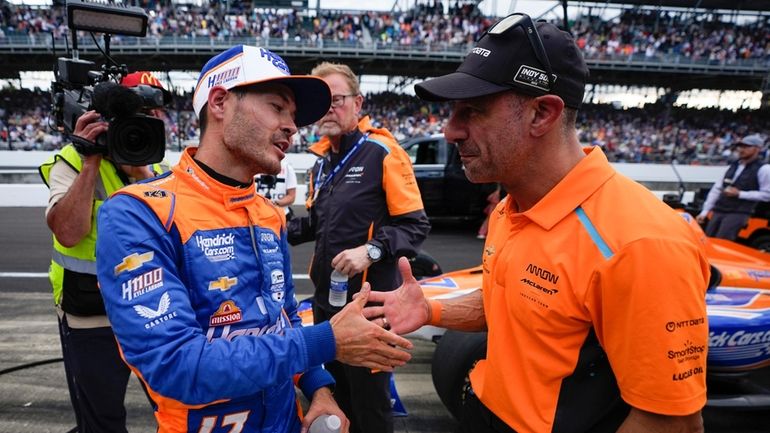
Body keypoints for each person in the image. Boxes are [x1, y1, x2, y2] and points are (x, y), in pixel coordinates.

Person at [363, 14, 710, 433]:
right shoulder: (512, 208)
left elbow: (671, 422)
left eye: (472, 110)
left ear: (542, 113)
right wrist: (431, 309)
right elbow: (510, 305)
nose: (450, 130)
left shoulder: (641, 242)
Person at [94, 45, 412, 433]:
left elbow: (285, 317)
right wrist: (326, 342)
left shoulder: (268, 213)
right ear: (220, 102)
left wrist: (319, 387)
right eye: (277, 107)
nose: (292, 127)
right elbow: (177, 365)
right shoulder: (137, 213)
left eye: (293, 116)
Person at [288, 62, 430, 433]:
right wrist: (273, 223)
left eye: (337, 100)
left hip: (370, 307)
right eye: (323, 103)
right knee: (336, 400)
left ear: (357, 102)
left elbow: (415, 224)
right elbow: (317, 224)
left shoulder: (382, 152)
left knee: (371, 408)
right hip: (326, 306)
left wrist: (371, 251)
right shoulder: (323, 163)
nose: (329, 109)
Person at [38, 71, 171, 433]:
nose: (146, 120)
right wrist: (91, 161)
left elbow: (172, 232)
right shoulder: (71, 158)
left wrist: (140, 171)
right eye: (137, 111)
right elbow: (68, 233)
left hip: (150, 309)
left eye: (154, 112)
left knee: (172, 408)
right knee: (101, 419)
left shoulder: (156, 163)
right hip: (90, 314)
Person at [696, 134, 770, 240]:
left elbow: (767, 194)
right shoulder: (733, 165)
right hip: (719, 210)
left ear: (757, 149)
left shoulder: (764, 169)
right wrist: (705, 211)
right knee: (707, 240)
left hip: (738, 212)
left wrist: (740, 194)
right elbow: (716, 189)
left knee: (722, 242)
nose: (741, 149)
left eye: (746, 147)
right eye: (740, 146)